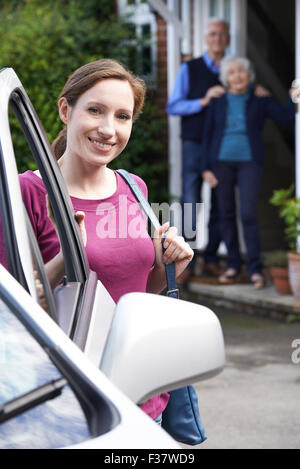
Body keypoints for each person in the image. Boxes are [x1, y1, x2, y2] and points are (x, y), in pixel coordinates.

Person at [1, 59, 193, 422]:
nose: (108, 129)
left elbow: (135, 297)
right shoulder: (26, 192)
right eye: (95, 110)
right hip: (72, 403)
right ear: (65, 109)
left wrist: (170, 268)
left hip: (142, 396)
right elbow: (10, 312)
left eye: (123, 116)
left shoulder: (134, 187)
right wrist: (67, 256)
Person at [201, 56, 295, 288]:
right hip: (221, 161)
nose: (237, 76)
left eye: (241, 72)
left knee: (248, 214)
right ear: (226, 78)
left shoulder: (259, 99)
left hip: (250, 161)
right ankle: (233, 265)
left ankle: (254, 269)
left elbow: (285, 119)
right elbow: (207, 135)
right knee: (226, 213)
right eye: (232, 73)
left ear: (249, 75)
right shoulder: (218, 101)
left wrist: (292, 97)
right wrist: (205, 168)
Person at [166, 18, 229, 282]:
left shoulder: (231, 70)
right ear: (206, 38)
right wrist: (203, 101)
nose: (217, 38)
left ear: (227, 40)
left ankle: (212, 258)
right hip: (193, 141)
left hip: (221, 143)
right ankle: (187, 259)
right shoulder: (189, 69)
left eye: (221, 35)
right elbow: (173, 106)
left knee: (220, 200)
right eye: (212, 34)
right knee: (191, 198)